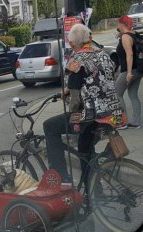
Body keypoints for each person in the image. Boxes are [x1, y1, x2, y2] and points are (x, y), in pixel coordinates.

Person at [43, 24, 124, 183]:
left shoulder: (76, 59)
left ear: (72, 44)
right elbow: (99, 79)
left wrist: (74, 115)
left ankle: (65, 180)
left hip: (90, 116)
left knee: (50, 126)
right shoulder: (103, 54)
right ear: (89, 38)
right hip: (112, 113)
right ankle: (95, 187)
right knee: (87, 149)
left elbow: (74, 101)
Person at [115, 15, 143, 129]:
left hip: (129, 70)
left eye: (118, 24)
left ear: (122, 24)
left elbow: (130, 54)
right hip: (139, 70)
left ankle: (123, 121)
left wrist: (129, 73)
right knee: (133, 94)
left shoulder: (126, 37)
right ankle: (136, 121)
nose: (117, 26)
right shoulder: (134, 34)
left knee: (117, 93)